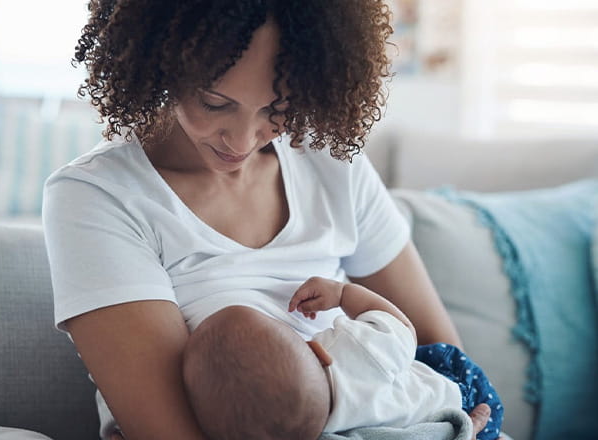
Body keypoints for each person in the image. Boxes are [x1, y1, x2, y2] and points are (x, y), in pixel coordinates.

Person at [42, 1, 500, 439]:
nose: (241, 140)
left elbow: (442, 356)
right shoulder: (97, 197)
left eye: (276, 109)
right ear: (160, 62)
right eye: (215, 102)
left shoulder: (331, 163)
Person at [182, 277, 504, 440]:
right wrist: (342, 294)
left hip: (437, 427)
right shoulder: (353, 348)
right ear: (319, 352)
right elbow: (403, 329)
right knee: (427, 361)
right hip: (459, 391)